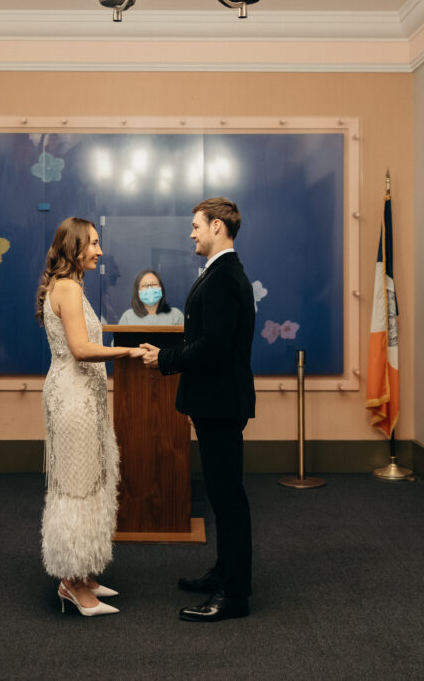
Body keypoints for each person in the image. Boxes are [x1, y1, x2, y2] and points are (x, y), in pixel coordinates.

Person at [140, 197, 256, 623]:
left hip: (221, 403)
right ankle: (224, 573)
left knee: (228, 499)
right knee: (222, 496)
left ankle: (235, 595)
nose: (191, 233)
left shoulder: (224, 277)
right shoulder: (219, 272)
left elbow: (215, 346)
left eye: (196, 226)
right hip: (215, 401)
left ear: (217, 227)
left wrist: (165, 360)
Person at [35, 216, 146, 617]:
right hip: (73, 399)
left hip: (83, 399)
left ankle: (84, 575)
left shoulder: (69, 284)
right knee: (77, 487)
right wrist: (128, 351)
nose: (100, 251)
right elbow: (81, 350)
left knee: (89, 482)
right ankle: (72, 584)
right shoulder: (66, 287)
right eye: (94, 243)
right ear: (74, 246)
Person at [117, 270, 184, 326]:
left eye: (154, 284)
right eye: (144, 285)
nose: (150, 289)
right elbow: (118, 338)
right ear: (138, 292)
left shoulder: (176, 315)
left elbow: (186, 337)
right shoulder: (128, 317)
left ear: (161, 289)